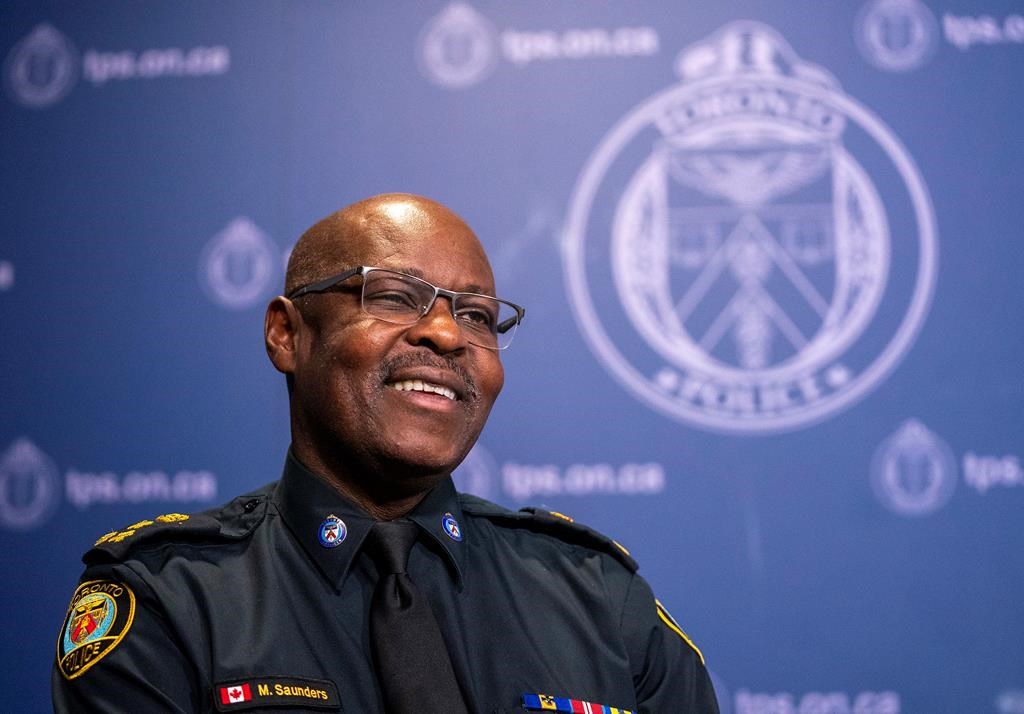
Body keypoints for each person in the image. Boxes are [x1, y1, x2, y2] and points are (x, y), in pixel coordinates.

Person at [53, 194, 719, 713]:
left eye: (477, 316)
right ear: (287, 334)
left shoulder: (600, 599)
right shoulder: (164, 599)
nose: (446, 334)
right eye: (396, 296)